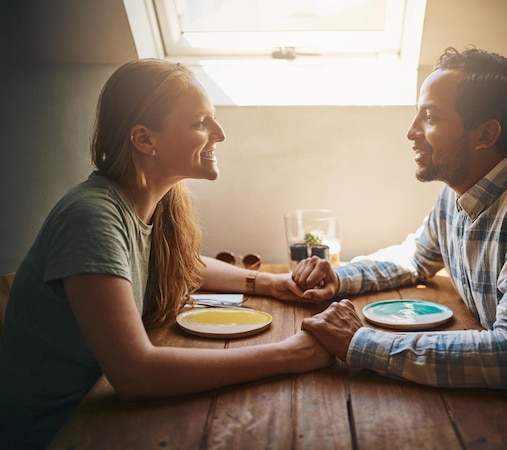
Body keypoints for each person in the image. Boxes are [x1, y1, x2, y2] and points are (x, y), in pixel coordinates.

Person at [292, 47, 507, 449]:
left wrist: (361, 342)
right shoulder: (459, 192)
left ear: (485, 134)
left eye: (430, 117)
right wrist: (339, 277)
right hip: (504, 402)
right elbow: (416, 256)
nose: (412, 130)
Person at [0, 59, 332, 449]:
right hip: (61, 428)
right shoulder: (90, 217)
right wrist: (289, 355)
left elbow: (185, 265)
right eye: (201, 122)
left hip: (104, 409)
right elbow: (136, 374)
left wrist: (274, 284)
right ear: (144, 140)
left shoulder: (150, 201)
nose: (220, 134)